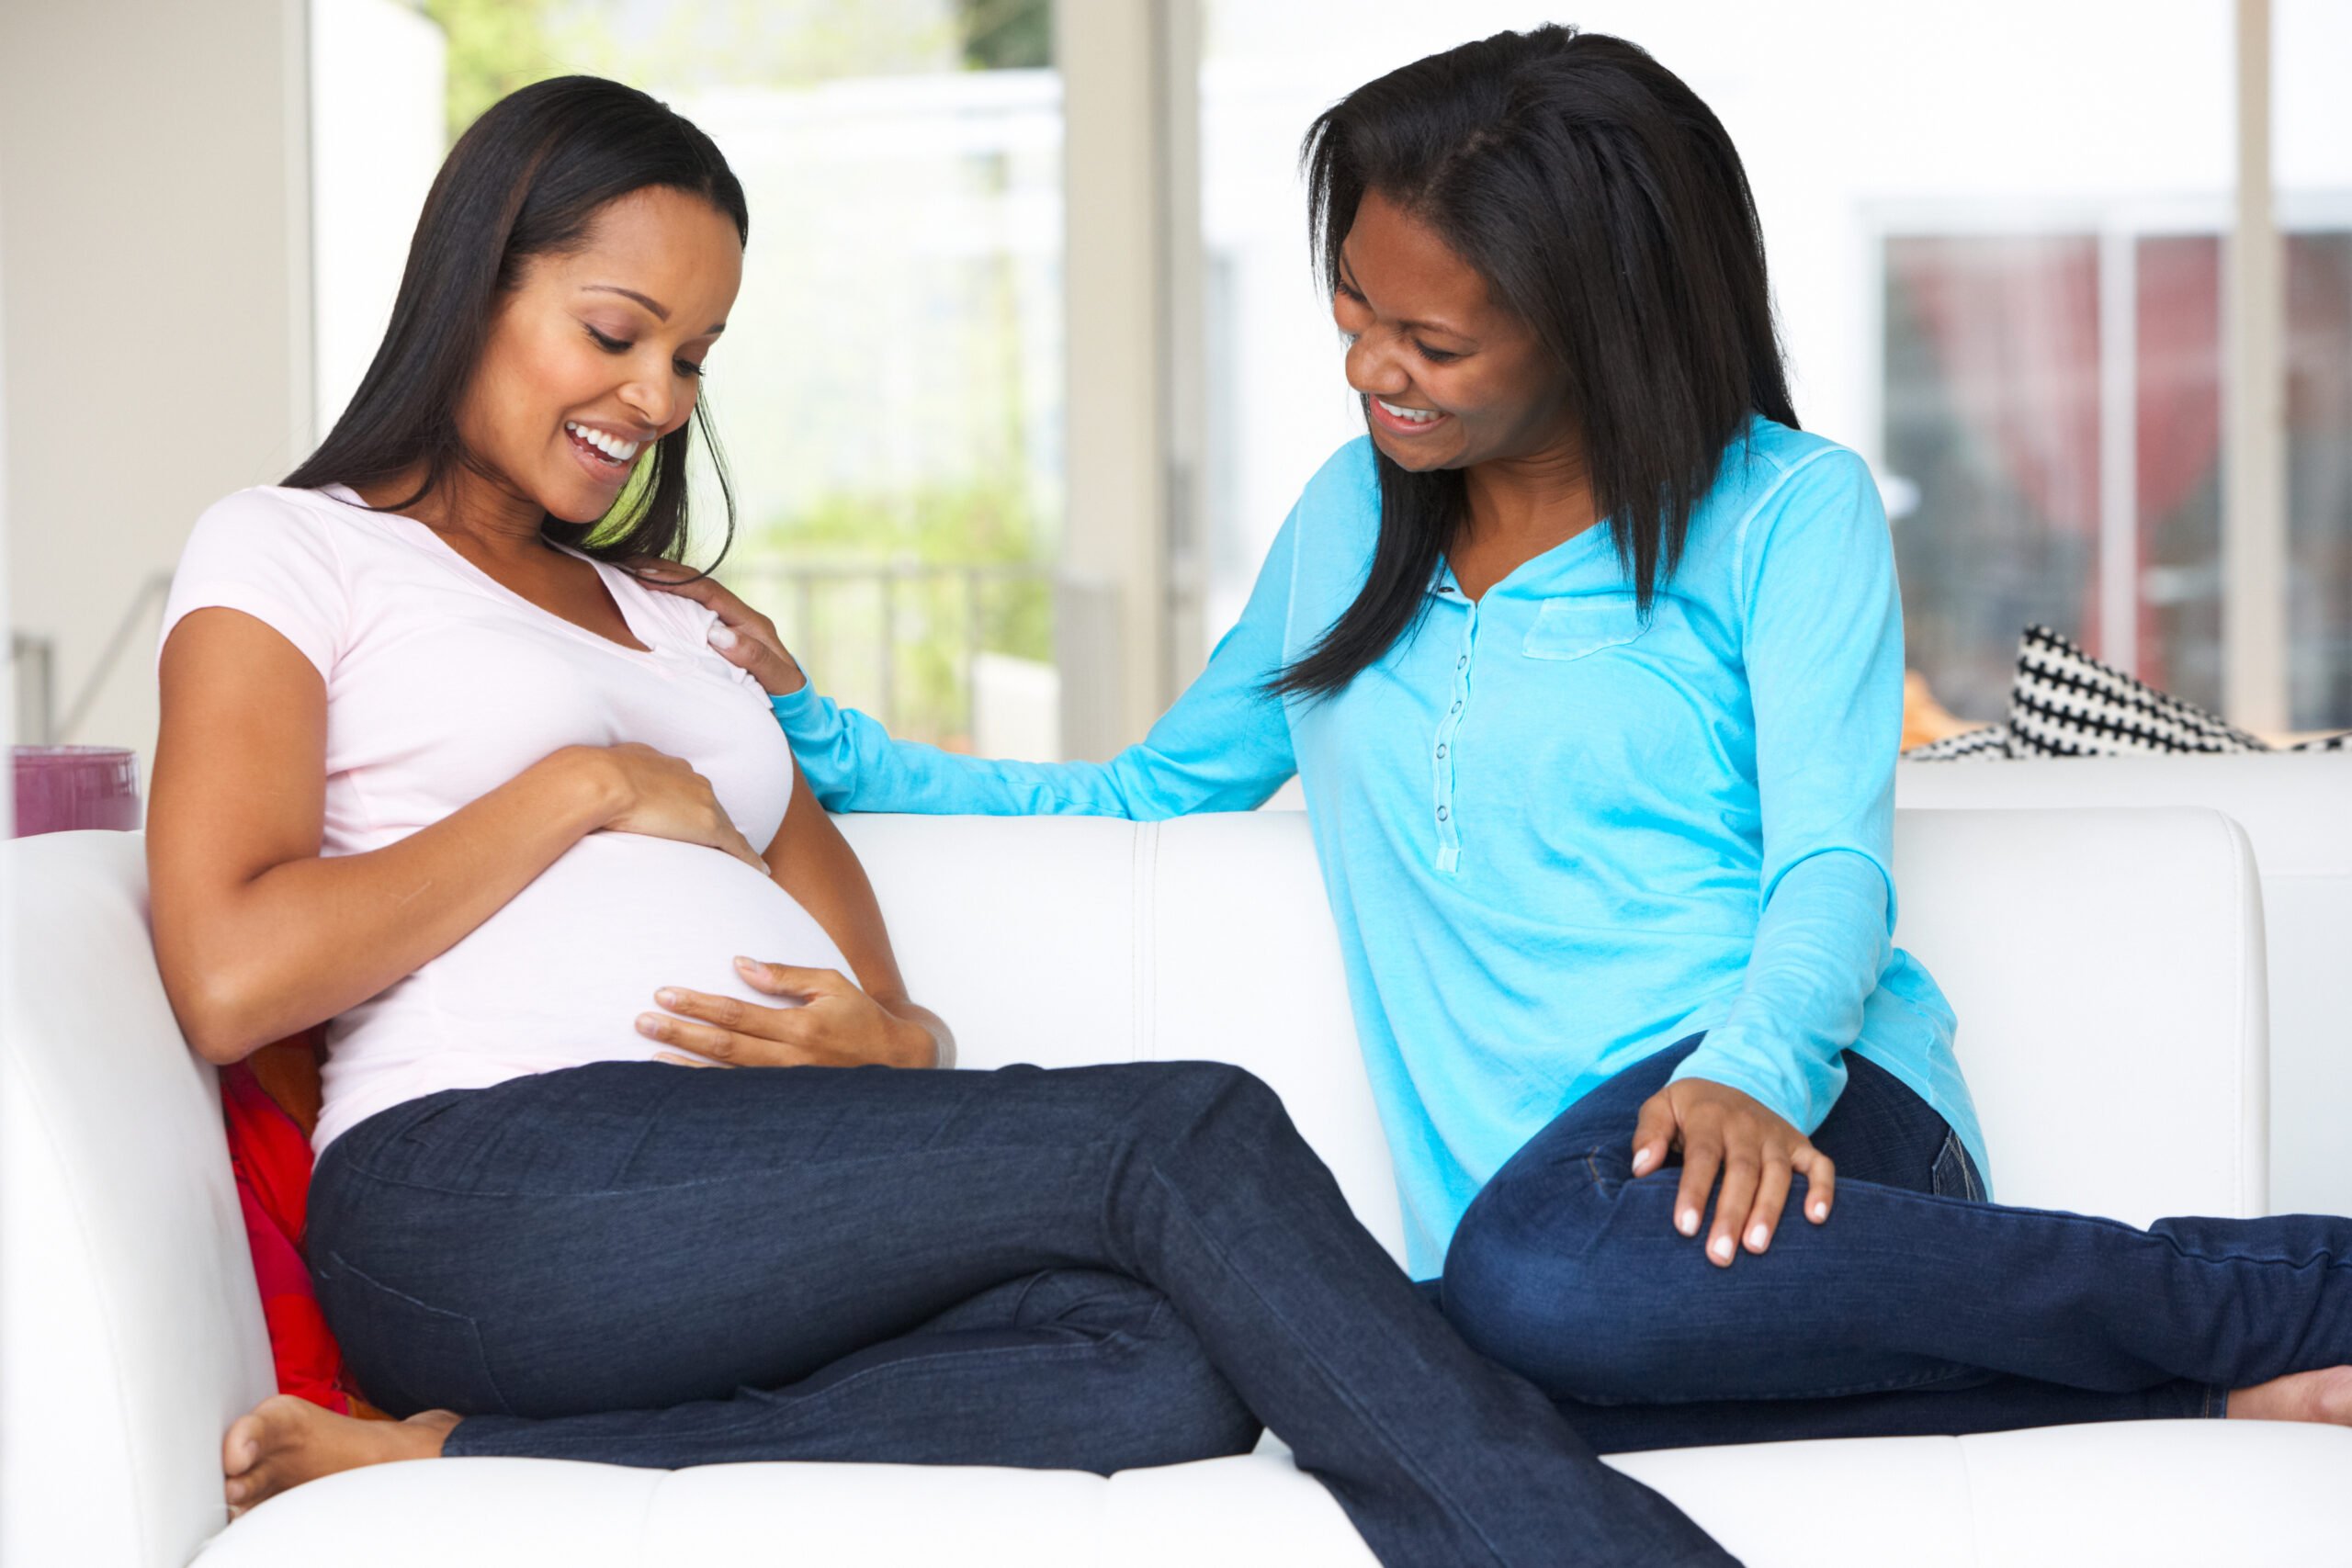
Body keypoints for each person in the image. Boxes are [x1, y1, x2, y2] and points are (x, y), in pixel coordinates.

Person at [662, 26, 2352, 1448]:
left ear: (1602, 320)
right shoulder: (1351, 522)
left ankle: (2270, 1286)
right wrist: (821, 732)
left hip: (1802, 1130)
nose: (1369, 368)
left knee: (1513, 1300)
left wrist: (1750, 1077)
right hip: (1561, 1245)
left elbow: (1836, 859)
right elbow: (1152, 793)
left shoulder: (1785, 510)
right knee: (1456, 1342)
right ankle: (2202, 1391)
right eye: (1353, 308)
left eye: (1434, 340)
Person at [147, 73, 1738, 1567]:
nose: (654, 398)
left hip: (736, 1192)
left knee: (1166, 1367)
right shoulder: (297, 553)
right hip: (481, 1189)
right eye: (617, 332)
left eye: (693, 356)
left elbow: (890, 1009)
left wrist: (888, 1043)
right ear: (476, 286)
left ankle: (459, 1459)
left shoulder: (683, 624)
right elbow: (227, 972)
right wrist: (582, 790)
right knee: (1185, 1130)